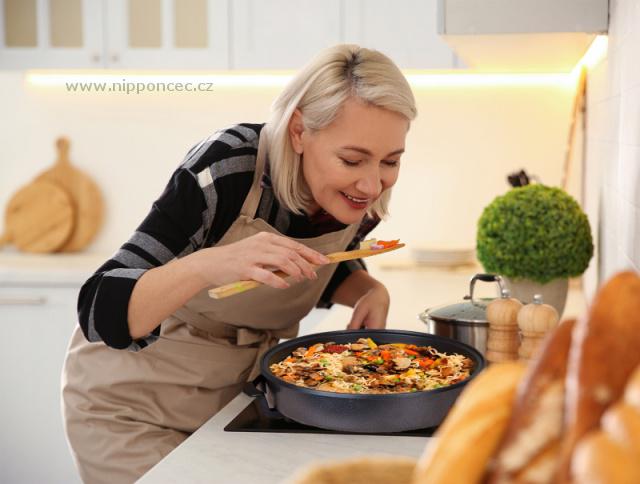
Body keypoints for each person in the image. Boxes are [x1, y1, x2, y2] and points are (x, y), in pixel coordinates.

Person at [61, 43, 417, 483]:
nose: (372, 184)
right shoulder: (228, 167)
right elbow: (100, 309)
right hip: (132, 413)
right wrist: (209, 264)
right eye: (352, 160)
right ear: (299, 132)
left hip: (235, 407)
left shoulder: (358, 197)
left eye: (391, 161)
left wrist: (366, 289)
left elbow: (313, 264)